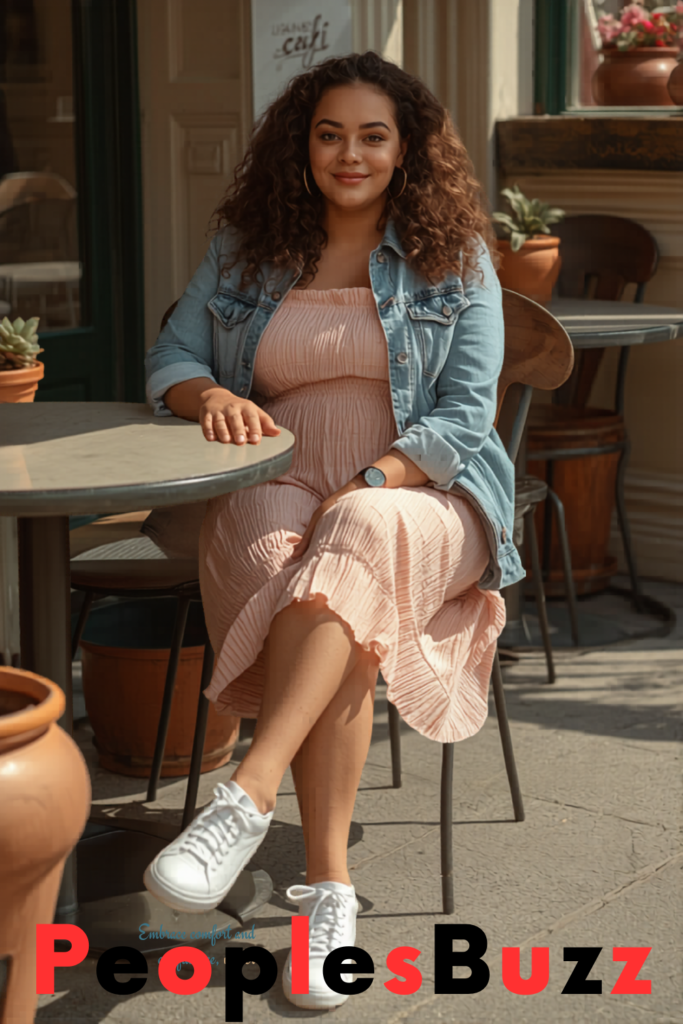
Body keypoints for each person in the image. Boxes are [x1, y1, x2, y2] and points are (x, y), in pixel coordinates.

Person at [142, 51, 525, 1010]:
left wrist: (367, 478)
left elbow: (463, 417)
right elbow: (173, 353)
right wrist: (213, 392)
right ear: (301, 144)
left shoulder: (454, 254)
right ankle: (327, 894)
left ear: (405, 152)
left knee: (355, 531)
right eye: (328, 133)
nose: (347, 153)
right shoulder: (247, 245)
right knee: (316, 583)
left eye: (371, 135)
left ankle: (245, 793)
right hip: (273, 476)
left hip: (425, 495)